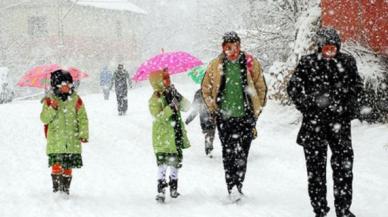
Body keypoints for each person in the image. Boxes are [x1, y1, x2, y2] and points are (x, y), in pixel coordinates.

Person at [287, 27, 363, 217]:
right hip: (314, 126)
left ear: (338, 47)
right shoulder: (308, 62)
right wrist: (307, 106)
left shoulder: (347, 62)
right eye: (326, 48)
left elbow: (357, 86)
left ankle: (344, 210)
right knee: (315, 172)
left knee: (344, 169)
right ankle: (319, 209)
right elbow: (293, 88)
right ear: (320, 47)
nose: (329, 52)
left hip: (340, 125)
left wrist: (348, 106)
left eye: (333, 48)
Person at [201, 31, 267, 201]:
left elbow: (260, 86)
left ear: (240, 46)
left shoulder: (250, 63)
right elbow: (206, 88)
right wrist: (213, 106)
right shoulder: (216, 64)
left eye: (236, 46)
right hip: (224, 117)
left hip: (245, 117)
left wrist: (256, 109)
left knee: (243, 153)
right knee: (229, 153)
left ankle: (239, 184)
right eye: (228, 47)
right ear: (223, 48)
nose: (233, 50)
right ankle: (232, 187)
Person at [40, 69, 89, 197]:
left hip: (71, 140)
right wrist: (52, 108)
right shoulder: (50, 100)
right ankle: (56, 189)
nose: (67, 87)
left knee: (68, 165)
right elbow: (44, 118)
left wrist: (83, 134)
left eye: (69, 84)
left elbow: (82, 117)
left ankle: (65, 189)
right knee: (56, 164)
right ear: (56, 85)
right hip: (56, 140)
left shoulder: (76, 99)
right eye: (64, 84)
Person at [148, 69, 191, 203]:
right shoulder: (154, 99)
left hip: (176, 133)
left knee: (175, 162)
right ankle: (161, 190)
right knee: (162, 164)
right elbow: (158, 117)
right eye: (165, 78)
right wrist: (170, 108)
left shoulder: (172, 94)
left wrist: (178, 96)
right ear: (158, 82)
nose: (168, 80)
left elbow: (187, 107)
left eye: (168, 78)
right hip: (163, 137)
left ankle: (174, 187)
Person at [185, 89, 216, 158]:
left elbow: (195, 109)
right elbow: (196, 109)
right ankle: (209, 149)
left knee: (210, 134)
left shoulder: (199, 93)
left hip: (207, 118)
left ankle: (209, 147)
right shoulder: (206, 92)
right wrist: (189, 119)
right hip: (207, 118)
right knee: (210, 133)